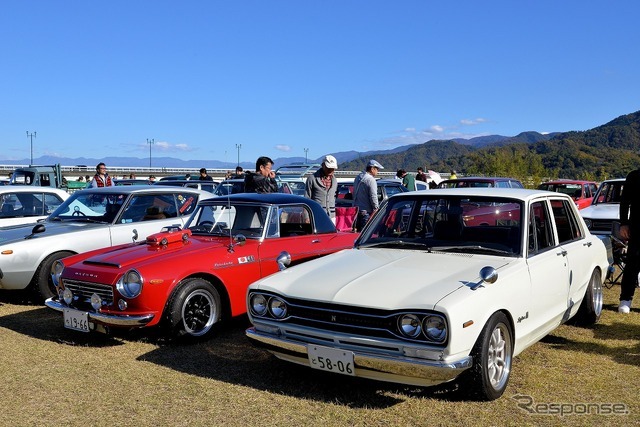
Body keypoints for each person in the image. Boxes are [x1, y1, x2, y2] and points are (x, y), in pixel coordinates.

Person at [618, 167, 640, 313]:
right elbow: (625, 201)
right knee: (633, 262)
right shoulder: (634, 176)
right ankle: (626, 299)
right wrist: (624, 223)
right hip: (637, 227)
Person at [305, 155, 338, 221]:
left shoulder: (334, 181)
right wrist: (306, 216)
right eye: (329, 168)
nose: (331, 170)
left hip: (331, 215)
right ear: (323, 165)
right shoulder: (312, 179)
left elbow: (334, 197)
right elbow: (307, 198)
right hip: (317, 214)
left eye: (332, 168)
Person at [353, 159, 384, 231]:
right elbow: (373, 196)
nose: (377, 171)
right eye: (377, 169)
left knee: (357, 233)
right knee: (365, 233)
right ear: (372, 169)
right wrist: (376, 208)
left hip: (356, 209)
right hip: (366, 211)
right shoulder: (371, 180)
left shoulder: (358, 177)